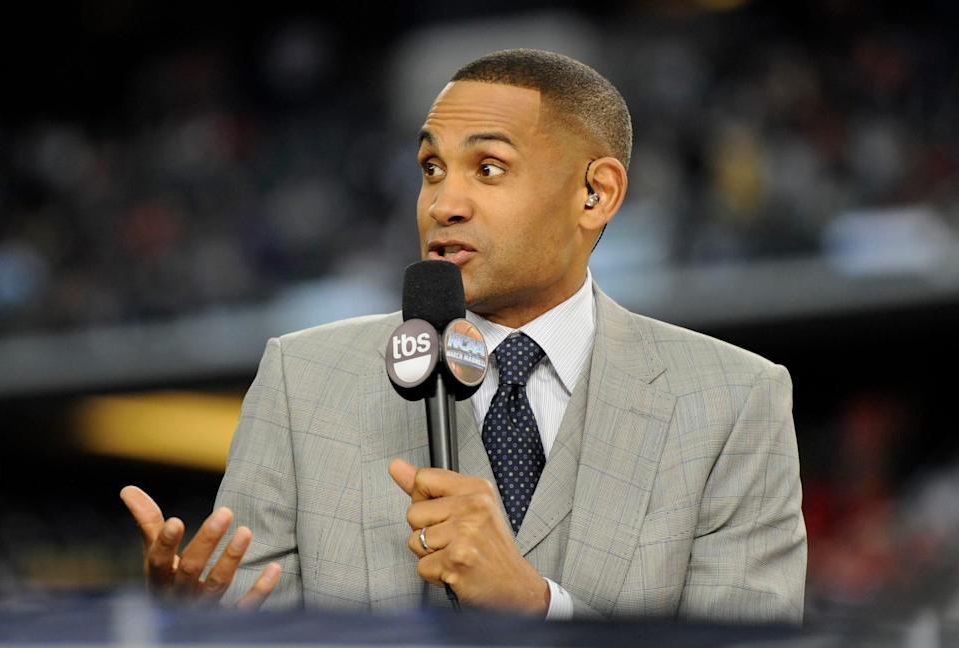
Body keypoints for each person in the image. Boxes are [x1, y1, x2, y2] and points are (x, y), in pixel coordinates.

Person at [121, 48, 807, 623]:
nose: (444, 203)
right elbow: (249, 626)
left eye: (487, 169)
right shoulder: (302, 381)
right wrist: (190, 630)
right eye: (431, 169)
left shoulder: (733, 400)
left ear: (595, 194)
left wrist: (540, 608)